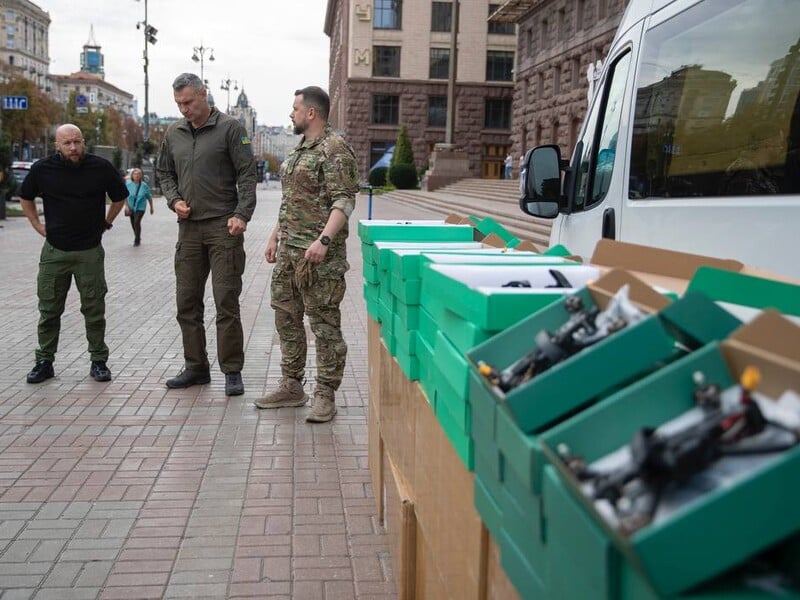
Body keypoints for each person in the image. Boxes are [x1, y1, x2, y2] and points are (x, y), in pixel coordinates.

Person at [255, 86, 359, 423]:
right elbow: (291, 201)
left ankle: (325, 394)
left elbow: (344, 200)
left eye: (295, 108)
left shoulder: (334, 149)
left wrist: (323, 241)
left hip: (318, 259)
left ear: (311, 112)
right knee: (286, 317)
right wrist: (274, 237)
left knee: (324, 324)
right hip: (288, 253)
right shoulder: (299, 149)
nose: (291, 114)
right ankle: (292, 385)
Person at [156, 73, 257, 397]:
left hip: (223, 228)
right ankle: (196, 367)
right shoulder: (173, 133)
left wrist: (242, 214)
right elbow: (164, 172)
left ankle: (232, 370)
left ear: (203, 94)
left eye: (188, 102)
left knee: (226, 301)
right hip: (188, 229)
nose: (184, 109)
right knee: (187, 302)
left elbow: (247, 174)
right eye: (178, 104)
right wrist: (174, 199)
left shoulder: (229, 128)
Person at [19, 124, 128, 384]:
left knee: (94, 308)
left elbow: (119, 197)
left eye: (77, 142)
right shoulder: (42, 169)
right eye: (67, 143)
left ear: (84, 142)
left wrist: (106, 222)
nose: (73, 148)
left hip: (89, 251)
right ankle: (44, 361)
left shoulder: (99, 167)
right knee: (48, 309)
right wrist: (36, 225)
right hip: (55, 251)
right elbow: (25, 197)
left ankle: (98, 361)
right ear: (57, 145)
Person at [125, 168, 154, 246]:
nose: (136, 175)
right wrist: (126, 206)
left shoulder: (144, 185)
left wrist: (151, 208)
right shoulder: (128, 185)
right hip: (131, 207)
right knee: (133, 223)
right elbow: (125, 196)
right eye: (135, 174)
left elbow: (149, 197)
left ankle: (137, 240)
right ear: (132, 175)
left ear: (141, 176)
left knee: (136, 222)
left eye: (138, 174)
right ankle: (137, 235)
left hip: (141, 207)